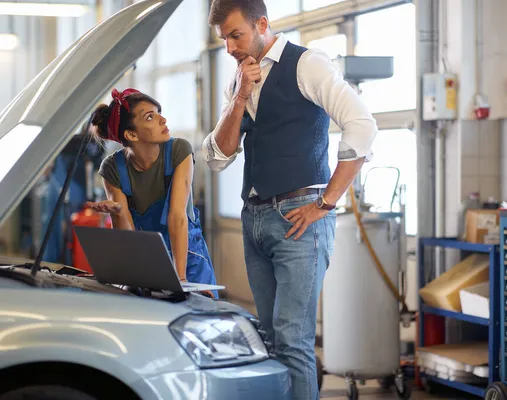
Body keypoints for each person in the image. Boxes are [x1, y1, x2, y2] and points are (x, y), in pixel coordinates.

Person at [203, 1, 377, 398]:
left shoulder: (307, 64)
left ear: (262, 24)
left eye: (236, 35)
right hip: (255, 220)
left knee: (292, 340)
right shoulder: (239, 79)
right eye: (223, 39)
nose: (229, 47)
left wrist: (328, 202)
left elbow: (362, 125)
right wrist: (239, 97)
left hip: (299, 219)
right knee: (268, 338)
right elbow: (217, 156)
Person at [87, 88, 218, 296]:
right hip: (147, 262)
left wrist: (181, 280)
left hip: (188, 259)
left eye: (158, 112)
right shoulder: (112, 168)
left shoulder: (178, 150)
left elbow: (177, 216)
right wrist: (118, 212)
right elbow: (126, 237)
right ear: (131, 134)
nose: (163, 119)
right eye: (150, 116)